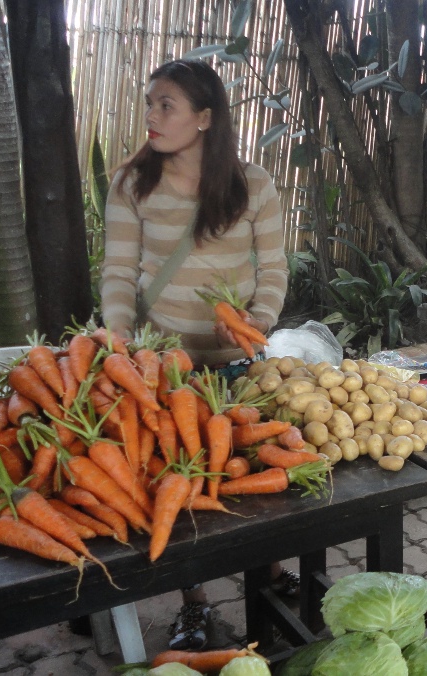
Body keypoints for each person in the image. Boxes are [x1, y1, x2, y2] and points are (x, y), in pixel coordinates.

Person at [100, 60, 292, 650]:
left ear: (205, 118)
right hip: (166, 368)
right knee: (180, 483)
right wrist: (120, 340)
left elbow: (274, 269)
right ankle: (196, 604)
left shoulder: (252, 183)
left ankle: (272, 573)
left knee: (251, 474)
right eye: (150, 103)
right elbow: (116, 272)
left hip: (240, 364)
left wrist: (258, 320)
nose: (152, 118)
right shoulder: (133, 184)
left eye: (168, 106)